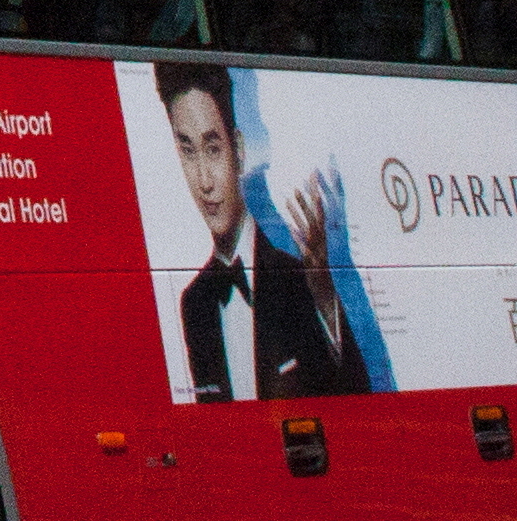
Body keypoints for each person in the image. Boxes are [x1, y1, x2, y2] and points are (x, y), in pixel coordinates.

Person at [154, 61, 370, 402]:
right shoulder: (194, 304)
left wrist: (325, 297)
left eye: (213, 149)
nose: (205, 182)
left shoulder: (299, 277)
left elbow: (359, 399)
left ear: (238, 150)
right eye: (188, 151)